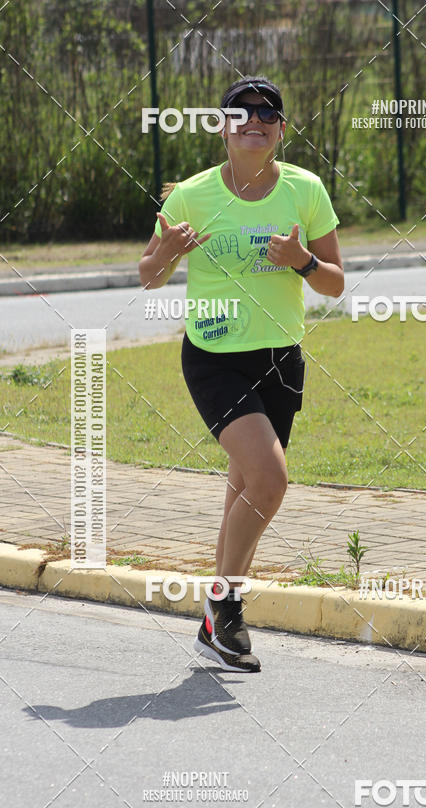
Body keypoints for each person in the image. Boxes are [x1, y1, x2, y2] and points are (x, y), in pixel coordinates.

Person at [139, 75, 344, 673]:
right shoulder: (191, 196)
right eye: (241, 112)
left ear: (281, 128)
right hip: (214, 357)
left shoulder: (306, 190)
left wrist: (302, 261)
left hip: (280, 358)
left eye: (267, 113)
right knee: (270, 479)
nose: (254, 120)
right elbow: (147, 275)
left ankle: (215, 623)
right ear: (223, 126)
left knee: (246, 488)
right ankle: (225, 609)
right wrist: (169, 251)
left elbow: (334, 282)